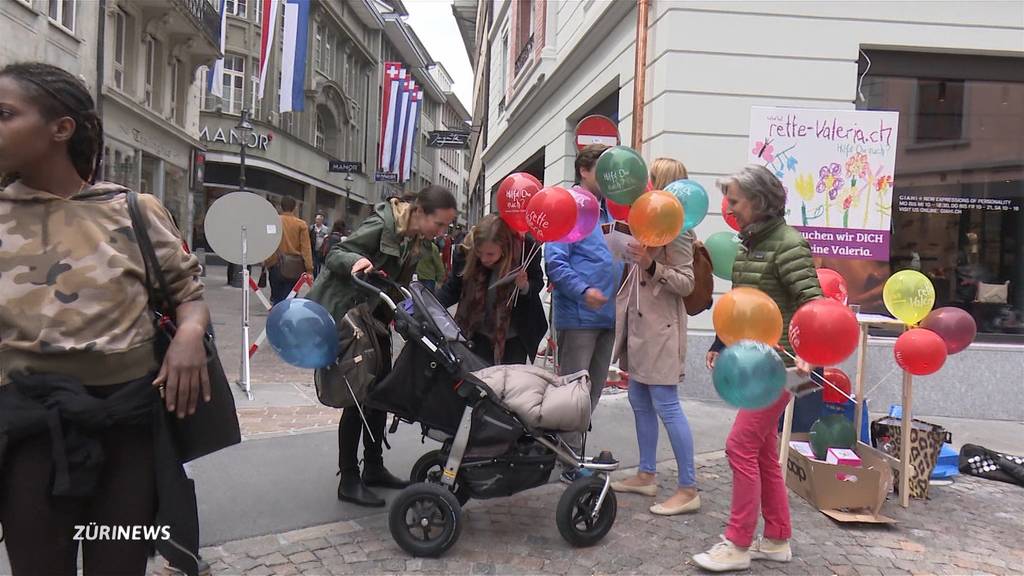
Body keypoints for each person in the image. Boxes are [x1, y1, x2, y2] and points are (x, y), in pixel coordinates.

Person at [0, 62, 211, 575]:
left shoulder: (132, 210)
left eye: (4, 114)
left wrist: (189, 333)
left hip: (127, 434)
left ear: (60, 128)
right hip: (28, 436)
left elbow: (188, 294)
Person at [693, 165, 822, 572]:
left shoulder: (788, 245)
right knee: (764, 451)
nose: (726, 207)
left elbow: (813, 304)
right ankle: (777, 538)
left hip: (783, 366)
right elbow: (743, 302)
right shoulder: (749, 243)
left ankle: (737, 542)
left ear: (759, 201)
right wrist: (720, 341)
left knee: (739, 446)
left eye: (734, 200)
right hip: (756, 361)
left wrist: (809, 352)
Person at [308, 185, 458, 507]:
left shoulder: (414, 239)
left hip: (374, 319)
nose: (443, 232)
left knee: (379, 394)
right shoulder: (382, 224)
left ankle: (373, 467)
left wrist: (412, 317)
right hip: (347, 317)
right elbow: (335, 254)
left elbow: (398, 285)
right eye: (441, 224)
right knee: (357, 398)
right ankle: (348, 478)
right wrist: (356, 261)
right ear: (419, 212)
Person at [610, 158, 700, 516]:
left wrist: (650, 264)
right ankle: (647, 473)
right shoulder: (649, 221)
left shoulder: (677, 230)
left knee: (667, 404)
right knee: (638, 398)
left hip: (661, 328)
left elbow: (686, 282)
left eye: (651, 179)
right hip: (641, 325)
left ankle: (688, 486)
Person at [544, 144, 623, 483]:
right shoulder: (570, 209)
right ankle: (568, 461)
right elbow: (555, 262)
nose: (610, 179)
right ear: (584, 171)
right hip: (579, 316)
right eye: (603, 171)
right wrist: (583, 290)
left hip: (606, 315)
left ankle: (575, 453)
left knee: (590, 394)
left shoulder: (605, 212)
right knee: (573, 394)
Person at [436, 214, 547, 365]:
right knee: (475, 379)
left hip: (513, 336)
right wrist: (430, 305)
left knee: (508, 384)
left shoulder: (525, 250)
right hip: (476, 332)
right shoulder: (465, 252)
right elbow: (453, 288)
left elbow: (537, 282)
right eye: (480, 253)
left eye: (490, 254)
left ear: (503, 247)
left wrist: (524, 286)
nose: (484, 259)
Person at [264, 196, 313, 304]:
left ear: (281, 207)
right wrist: (309, 268)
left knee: (276, 297)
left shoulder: (274, 221)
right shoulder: (301, 224)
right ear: (294, 208)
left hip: (276, 264)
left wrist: (267, 262)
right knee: (291, 297)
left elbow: (268, 243)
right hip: (295, 266)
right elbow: (306, 248)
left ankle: (277, 316)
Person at [309, 213, 330, 277]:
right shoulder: (312, 227)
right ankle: (315, 275)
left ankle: (318, 275)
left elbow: (327, 239)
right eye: (317, 219)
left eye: (319, 219)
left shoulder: (325, 229)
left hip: (320, 249)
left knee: (319, 263)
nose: (317, 221)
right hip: (313, 248)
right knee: (314, 263)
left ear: (322, 220)